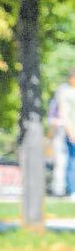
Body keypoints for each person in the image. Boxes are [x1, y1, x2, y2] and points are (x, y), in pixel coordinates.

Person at [57, 68, 75, 197]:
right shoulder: (66, 92)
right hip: (72, 131)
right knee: (72, 160)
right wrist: (70, 132)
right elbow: (64, 114)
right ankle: (72, 189)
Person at [48, 92, 68, 197]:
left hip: (67, 138)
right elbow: (50, 120)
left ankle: (65, 188)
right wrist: (62, 122)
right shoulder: (55, 103)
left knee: (66, 164)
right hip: (59, 137)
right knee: (60, 163)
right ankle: (58, 190)